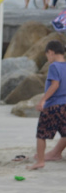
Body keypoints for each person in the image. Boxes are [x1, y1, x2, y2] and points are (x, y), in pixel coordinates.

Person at [27, 40, 66, 170]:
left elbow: (55, 85)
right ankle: (55, 154)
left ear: (51, 52)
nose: (48, 58)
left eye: (47, 55)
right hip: (65, 105)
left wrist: (43, 100)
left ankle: (40, 161)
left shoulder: (54, 66)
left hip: (53, 105)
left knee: (41, 134)